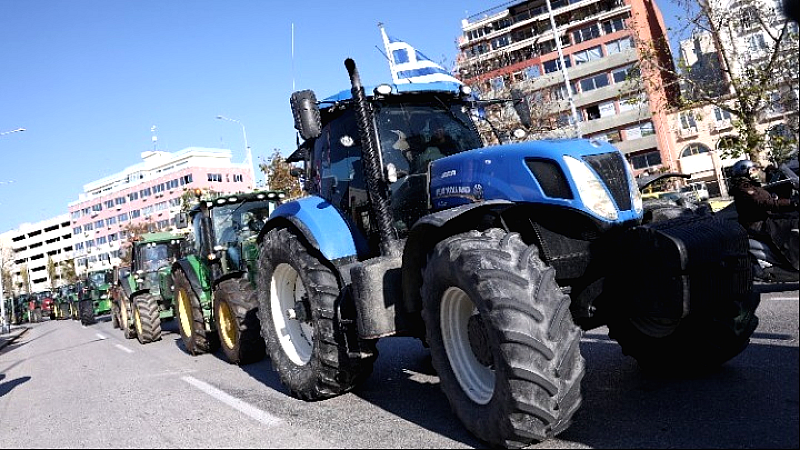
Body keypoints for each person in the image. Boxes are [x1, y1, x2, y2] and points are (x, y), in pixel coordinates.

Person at [728, 159, 799, 278]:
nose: (756, 172)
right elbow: (764, 203)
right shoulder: (744, 188)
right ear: (745, 173)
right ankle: (793, 261)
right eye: (753, 170)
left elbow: (768, 199)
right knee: (793, 225)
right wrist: (792, 203)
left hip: (764, 219)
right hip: (758, 224)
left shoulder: (751, 186)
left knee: (791, 218)